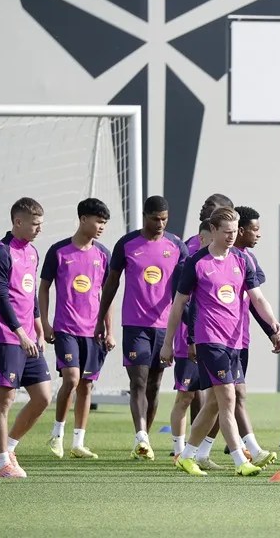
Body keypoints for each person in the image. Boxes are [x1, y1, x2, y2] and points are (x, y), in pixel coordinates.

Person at [163, 207, 280, 477]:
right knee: (228, 397)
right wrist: (168, 343)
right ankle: (242, 460)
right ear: (213, 231)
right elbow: (178, 304)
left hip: (235, 341)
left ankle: (188, 455)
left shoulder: (242, 260)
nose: (232, 236)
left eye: (235, 231)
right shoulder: (196, 263)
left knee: (215, 404)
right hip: (209, 339)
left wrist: (274, 324)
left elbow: (257, 298)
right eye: (227, 232)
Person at [94, 195, 188, 460]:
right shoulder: (127, 244)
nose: (160, 224)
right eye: (155, 219)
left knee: (155, 385)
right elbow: (111, 283)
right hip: (135, 324)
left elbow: (185, 289)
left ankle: (143, 437)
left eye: (164, 219)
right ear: (145, 217)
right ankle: (142, 436)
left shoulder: (177, 246)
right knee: (137, 381)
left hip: (164, 325)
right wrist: (101, 318)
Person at [39, 198, 113, 460]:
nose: (102, 226)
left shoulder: (103, 254)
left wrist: (109, 330)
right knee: (71, 378)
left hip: (93, 332)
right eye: (98, 221)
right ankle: (57, 435)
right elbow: (44, 287)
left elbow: (106, 294)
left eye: (104, 222)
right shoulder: (58, 251)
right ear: (83, 219)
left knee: (86, 386)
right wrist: (45, 323)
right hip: (66, 329)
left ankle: (78, 443)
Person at [0, 197, 52, 478]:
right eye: (35, 224)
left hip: (28, 338)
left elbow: (30, 295)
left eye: (41, 224)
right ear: (18, 222)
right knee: (5, 401)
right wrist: (20, 333)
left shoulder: (33, 252)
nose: (39, 229)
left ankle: (9, 446)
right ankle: (3, 463)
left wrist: (37, 328)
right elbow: (1, 298)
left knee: (43, 397)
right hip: (5, 338)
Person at [227, 205, 280, 468]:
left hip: (240, 337)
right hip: (217, 339)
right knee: (234, 395)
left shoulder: (248, 260)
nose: (259, 234)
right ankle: (251, 448)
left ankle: (196, 452)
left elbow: (253, 301)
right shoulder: (219, 258)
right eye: (255, 229)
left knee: (224, 400)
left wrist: (271, 330)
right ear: (240, 230)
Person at [169, 220, 213, 461]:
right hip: (187, 342)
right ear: (203, 238)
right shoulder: (186, 266)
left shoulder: (220, 265)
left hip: (212, 341)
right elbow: (178, 304)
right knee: (184, 396)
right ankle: (178, 450)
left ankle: (199, 453)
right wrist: (196, 330)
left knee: (210, 397)